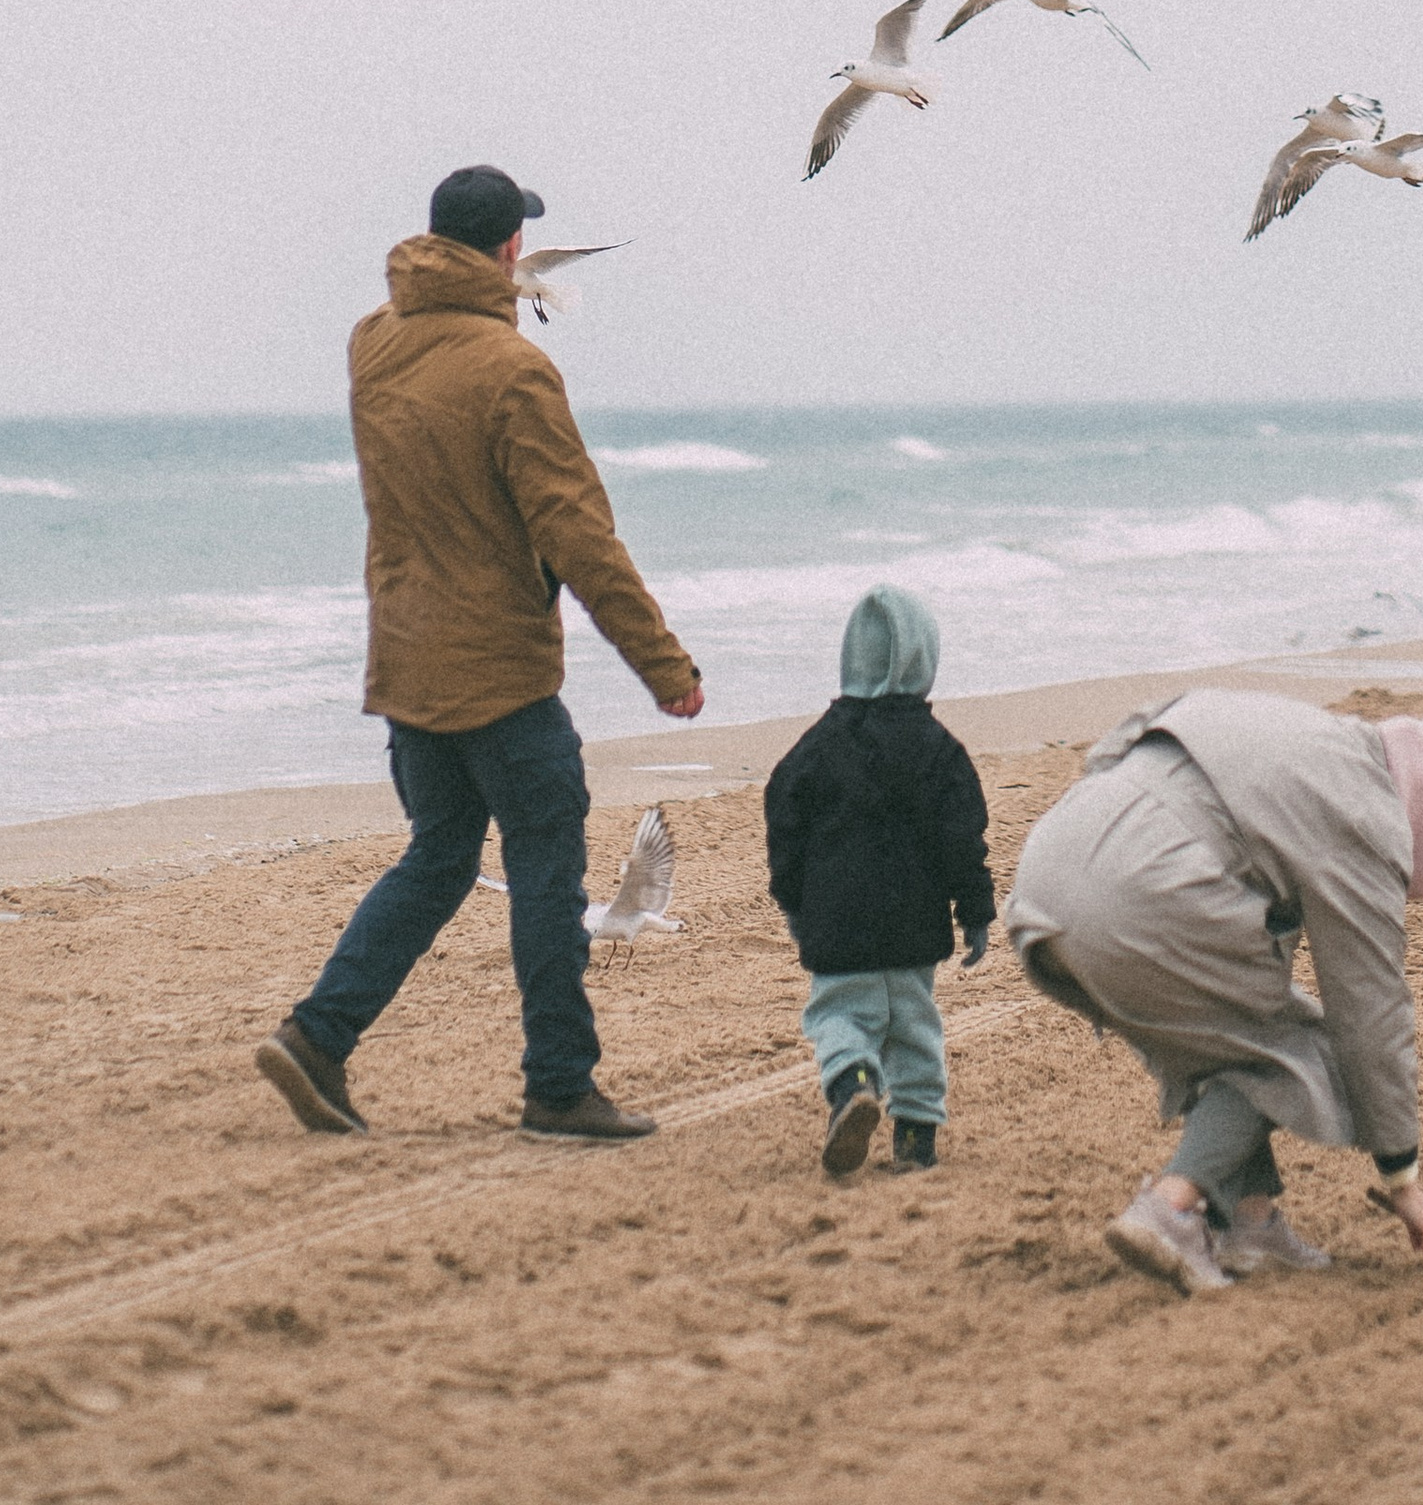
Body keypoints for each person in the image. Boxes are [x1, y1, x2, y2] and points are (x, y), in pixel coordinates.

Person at [254, 163, 704, 1146]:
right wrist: (662, 664)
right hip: (498, 668)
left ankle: (318, 1036)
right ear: (507, 250)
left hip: (408, 657)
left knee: (439, 855)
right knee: (546, 867)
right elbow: (574, 529)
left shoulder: (372, 342)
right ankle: (558, 1085)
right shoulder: (512, 370)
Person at [1004, 687, 1423, 1293]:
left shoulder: (1296, 729)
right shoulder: (1366, 813)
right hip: (1147, 897)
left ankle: (1254, 1224)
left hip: (1047, 874)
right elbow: (1370, 1009)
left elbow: (1122, 739)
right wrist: (1402, 1177)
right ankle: (1171, 1207)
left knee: (1225, 1044)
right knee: (1297, 1051)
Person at [763, 585, 994, 1176]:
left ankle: (855, 1080)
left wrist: (793, 899)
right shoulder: (942, 752)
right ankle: (917, 1136)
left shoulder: (816, 748)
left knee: (839, 1015)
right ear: (924, 661)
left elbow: (783, 816)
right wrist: (974, 912)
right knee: (915, 1024)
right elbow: (962, 840)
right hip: (914, 923)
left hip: (837, 921)